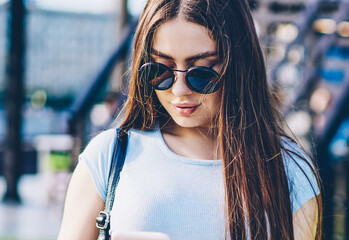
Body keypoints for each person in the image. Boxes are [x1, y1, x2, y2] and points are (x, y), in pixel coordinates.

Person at [58, 0, 322, 239]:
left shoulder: (288, 169)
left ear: (239, 65)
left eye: (201, 72)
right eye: (160, 69)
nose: (179, 90)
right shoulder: (107, 157)